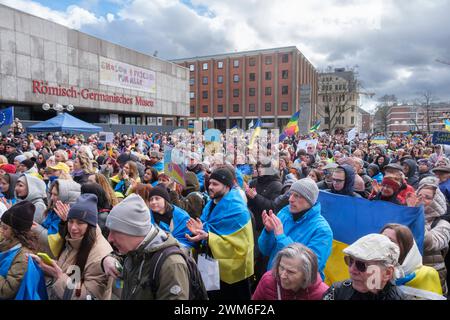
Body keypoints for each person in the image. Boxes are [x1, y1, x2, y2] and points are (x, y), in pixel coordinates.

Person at [102, 193, 190, 300]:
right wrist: (107, 259)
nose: (110, 238)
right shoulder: (136, 249)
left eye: (115, 232)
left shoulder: (171, 265)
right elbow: (121, 258)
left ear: (134, 232)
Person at [186, 168, 254, 300]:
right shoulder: (210, 204)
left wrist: (208, 236)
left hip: (233, 277)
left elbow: (241, 247)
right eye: (210, 183)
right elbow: (208, 228)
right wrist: (200, 232)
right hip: (211, 266)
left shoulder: (239, 211)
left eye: (215, 184)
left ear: (227, 186)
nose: (210, 187)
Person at [32, 194, 113, 300]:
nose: (73, 228)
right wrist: (46, 265)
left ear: (90, 225)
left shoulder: (99, 256)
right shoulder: (73, 240)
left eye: (80, 223)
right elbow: (71, 269)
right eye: (70, 221)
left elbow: (88, 297)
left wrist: (58, 276)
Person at [258, 178, 332, 279]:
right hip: (274, 279)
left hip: (299, 289)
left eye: (297, 196)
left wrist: (281, 237)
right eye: (291, 194)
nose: (290, 199)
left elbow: (310, 266)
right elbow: (265, 250)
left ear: (309, 200)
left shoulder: (322, 230)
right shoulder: (284, 214)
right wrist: (268, 231)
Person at [323, 233, 405, 300]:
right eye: (350, 261)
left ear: (387, 273)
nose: (352, 270)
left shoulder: (398, 298)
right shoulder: (337, 292)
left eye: (361, 265)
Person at [405, 178, 450, 295]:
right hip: (408, 272)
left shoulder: (443, 224)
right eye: (419, 195)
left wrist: (415, 214)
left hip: (432, 275)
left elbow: (429, 243)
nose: (421, 199)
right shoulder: (408, 217)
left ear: (436, 201)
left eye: (427, 197)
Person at [381, 223, 444, 299]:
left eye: (391, 241)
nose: (383, 244)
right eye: (381, 239)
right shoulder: (370, 270)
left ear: (405, 247)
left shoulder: (427, 274)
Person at [0, 201, 47, 300]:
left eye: (5, 228)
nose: (1, 230)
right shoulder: (7, 239)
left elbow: (6, 291)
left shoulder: (23, 257)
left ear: (16, 231)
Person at [252, 243, 329, 300]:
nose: (282, 275)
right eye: (281, 267)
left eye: (290, 272)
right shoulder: (268, 281)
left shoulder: (323, 294)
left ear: (306, 274)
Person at [32, 179, 81, 257]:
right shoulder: (54, 210)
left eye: (55, 194)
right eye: (51, 194)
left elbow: (54, 241)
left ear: (65, 196)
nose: (51, 198)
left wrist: (36, 229)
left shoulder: (68, 216)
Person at [146, 185, 193, 250]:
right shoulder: (147, 215)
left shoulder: (182, 216)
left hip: (177, 252)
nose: (153, 202)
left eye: (157, 198)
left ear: (165, 200)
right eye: (151, 199)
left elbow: (187, 241)